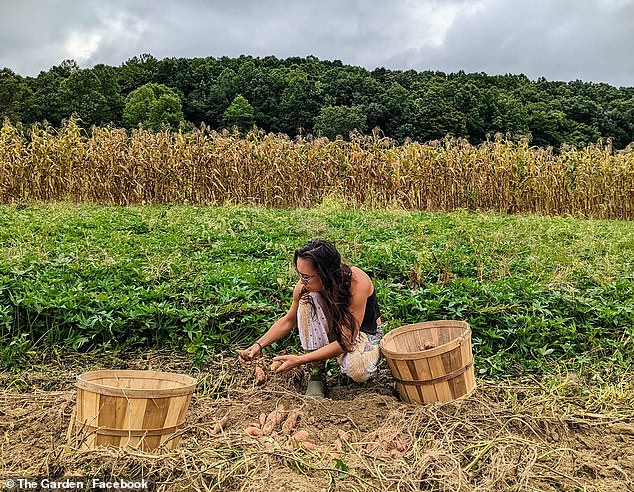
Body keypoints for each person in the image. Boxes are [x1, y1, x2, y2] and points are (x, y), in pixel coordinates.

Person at [238, 239, 383, 397]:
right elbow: (289, 320)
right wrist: (258, 345)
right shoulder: (304, 287)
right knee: (306, 301)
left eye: (306, 277)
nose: (301, 281)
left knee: (357, 371)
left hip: (363, 331)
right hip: (336, 329)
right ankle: (316, 373)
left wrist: (300, 359)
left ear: (326, 273)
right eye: (300, 275)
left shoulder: (357, 283)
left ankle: (350, 362)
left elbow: (346, 341)